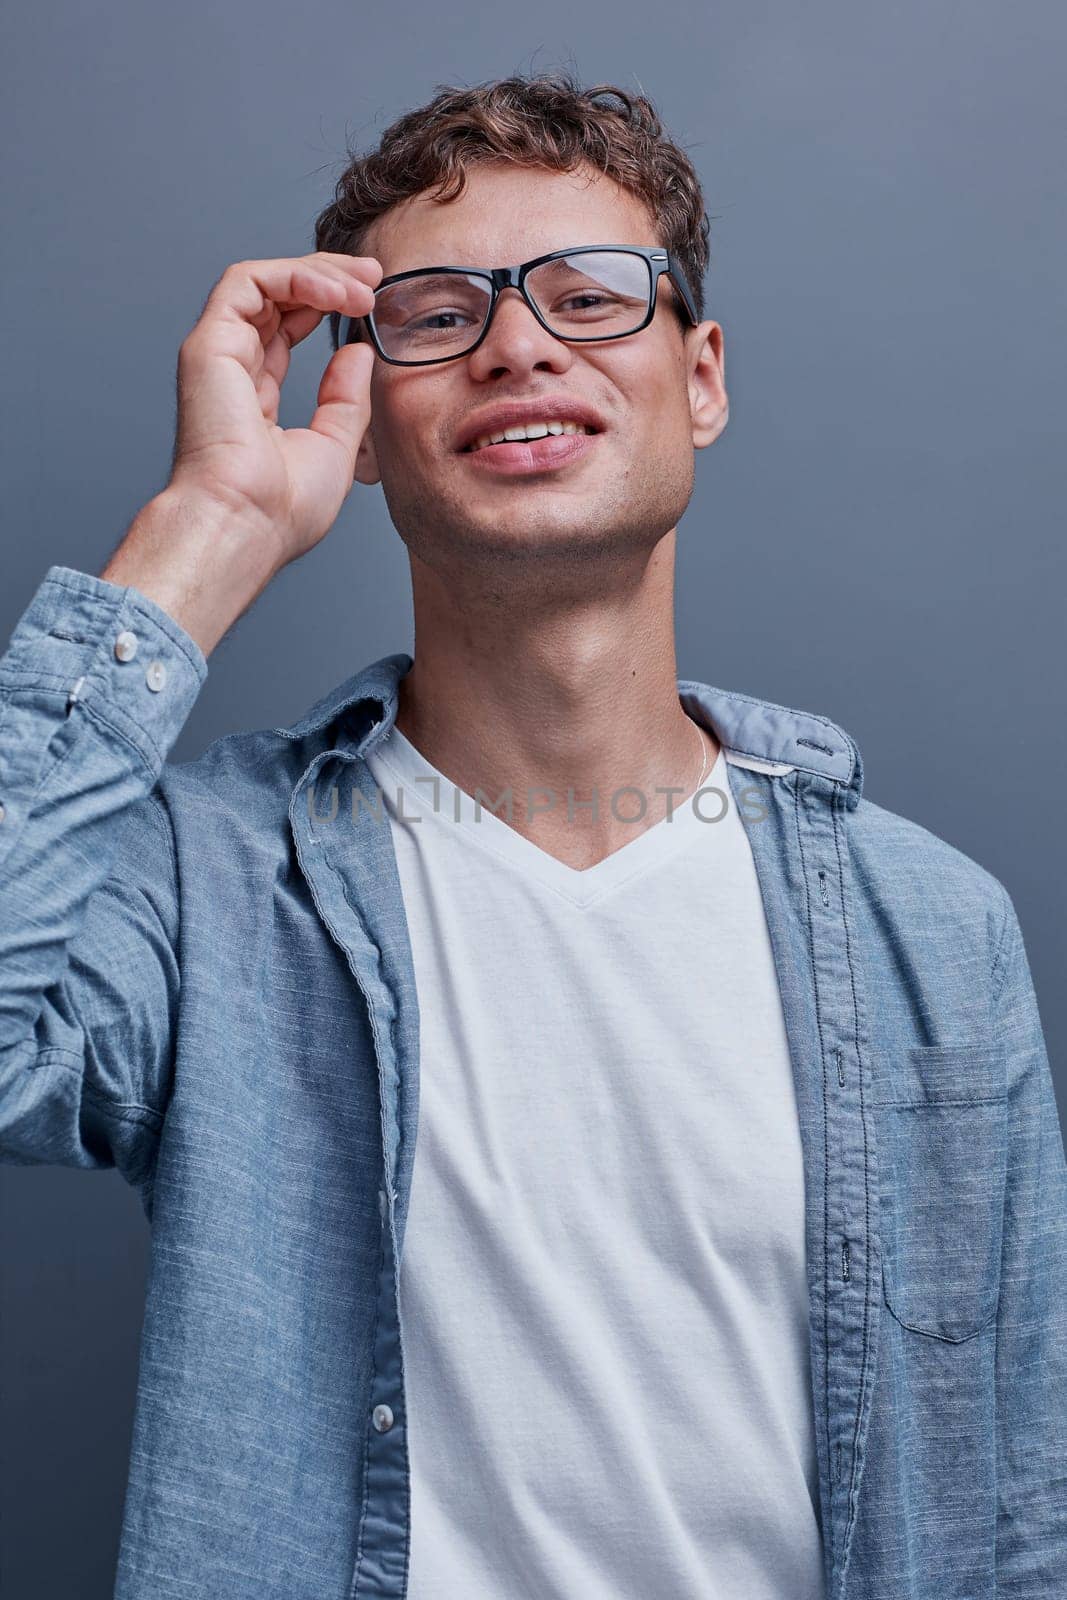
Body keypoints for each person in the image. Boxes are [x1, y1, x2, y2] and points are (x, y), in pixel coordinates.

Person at [0, 69, 1063, 1600]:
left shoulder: (933, 930)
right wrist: (208, 529)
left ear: (701, 377)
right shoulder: (210, 879)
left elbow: (1011, 1517)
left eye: (590, 294)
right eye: (436, 313)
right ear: (359, 414)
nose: (517, 343)